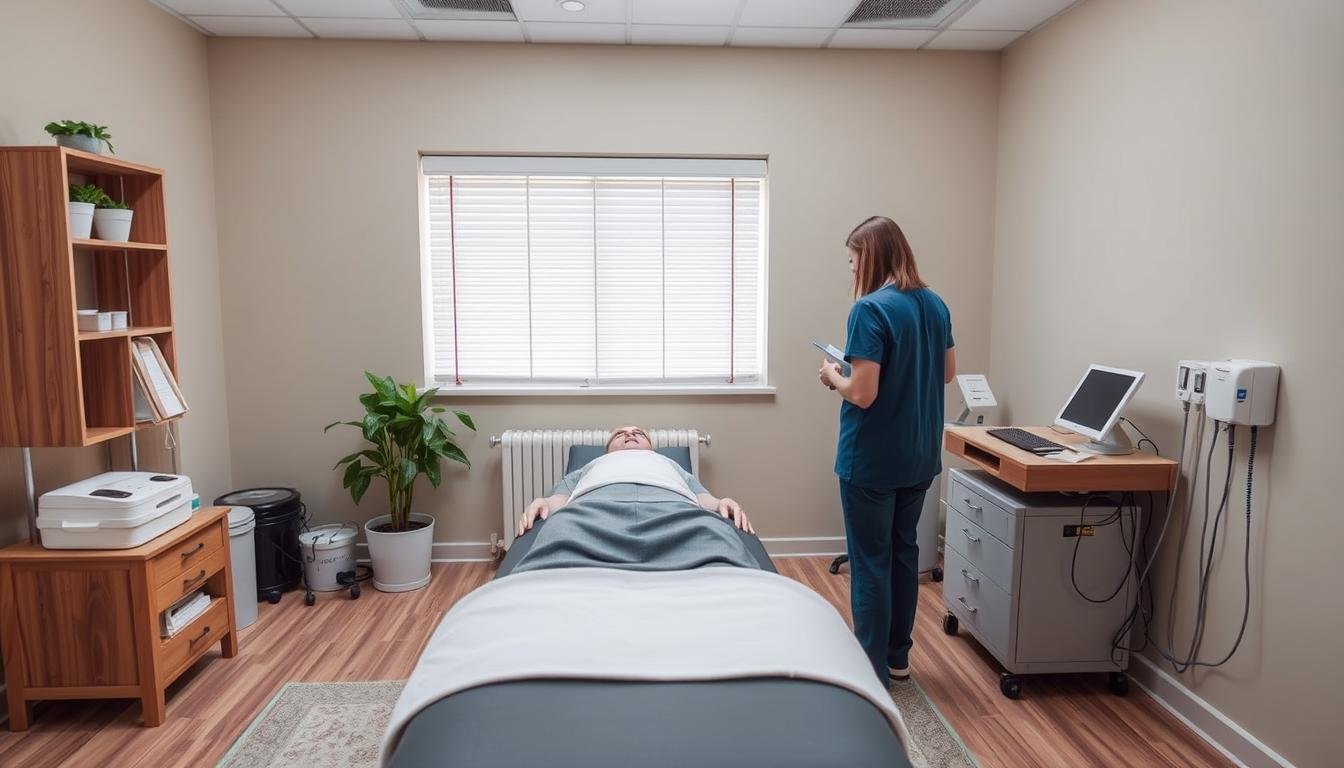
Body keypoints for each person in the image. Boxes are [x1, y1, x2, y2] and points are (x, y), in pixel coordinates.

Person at [818, 216, 955, 687]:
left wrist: (834, 375)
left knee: (870, 561)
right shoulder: (935, 304)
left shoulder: (869, 310)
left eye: (853, 260)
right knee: (902, 554)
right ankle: (898, 659)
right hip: (918, 456)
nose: (852, 269)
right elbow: (947, 373)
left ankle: (869, 670)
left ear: (869, 255)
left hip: (872, 460)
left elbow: (863, 393)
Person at [517, 425, 754, 536]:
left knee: (717, 535)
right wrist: (543, 502)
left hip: (674, 512)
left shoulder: (671, 465)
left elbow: (703, 499)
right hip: (592, 513)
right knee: (557, 531)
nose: (629, 435)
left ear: (650, 447)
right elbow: (559, 500)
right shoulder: (588, 468)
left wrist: (722, 501)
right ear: (607, 451)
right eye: (620, 434)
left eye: (638, 433)